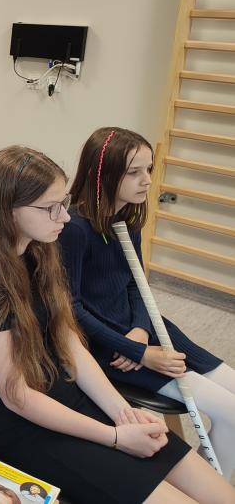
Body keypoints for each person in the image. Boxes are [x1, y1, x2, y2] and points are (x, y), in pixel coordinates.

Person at [0, 145, 233, 503]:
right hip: (25, 426)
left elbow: (70, 344)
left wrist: (124, 413)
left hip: (66, 395)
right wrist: (115, 438)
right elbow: (17, 397)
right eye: (50, 207)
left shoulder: (38, 250)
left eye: (64, 202)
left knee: (222, 495)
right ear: (8, 210)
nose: (65, 217)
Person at [61, 126, 235, 480]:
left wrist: (140, 331)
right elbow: (71, 309)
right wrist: (138, 351)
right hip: (106, 347)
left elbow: (137, 284)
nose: (147, 180)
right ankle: (207, 489)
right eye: (134, 172)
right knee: (231, 412)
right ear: (104, 174)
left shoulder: (128, 218)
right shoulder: (75, 228)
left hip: (143, 329)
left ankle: (206, 483)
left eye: (149, 169)